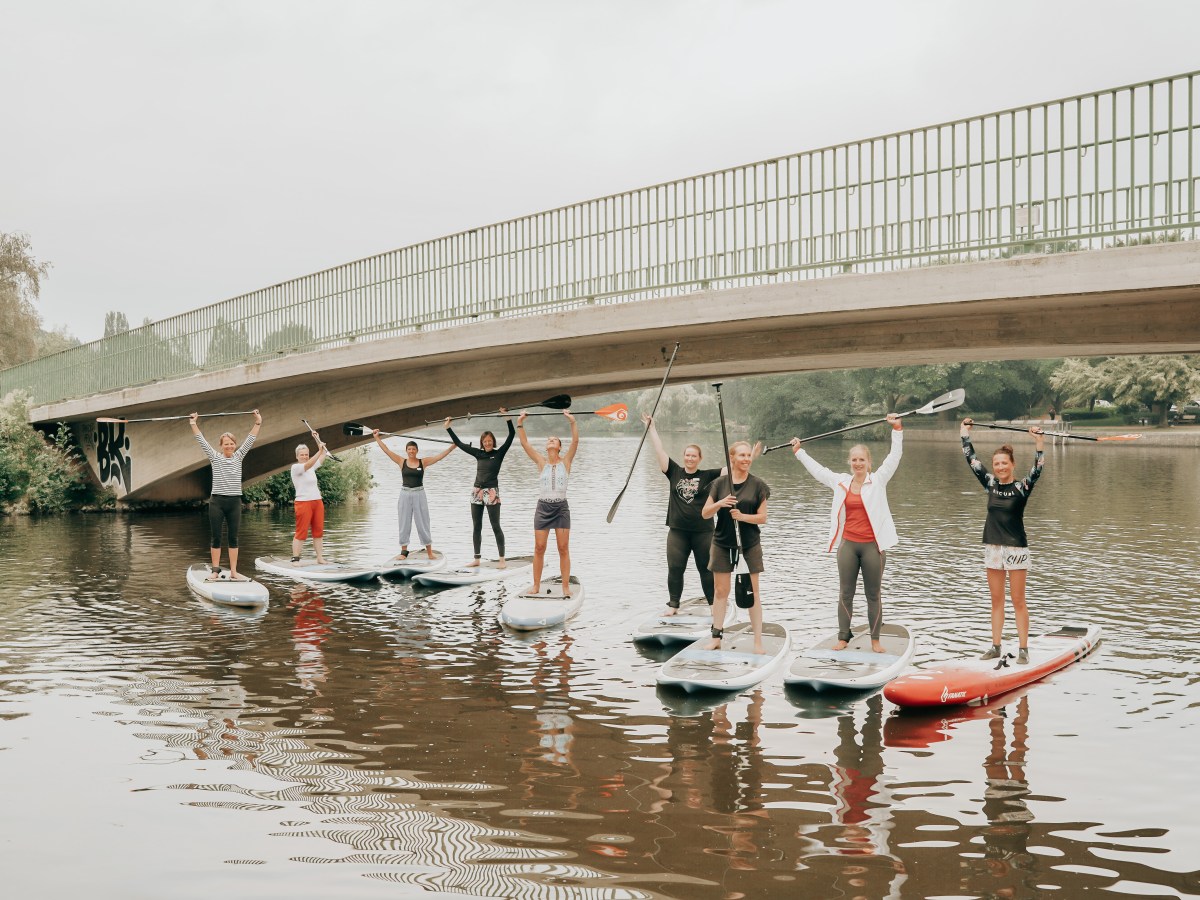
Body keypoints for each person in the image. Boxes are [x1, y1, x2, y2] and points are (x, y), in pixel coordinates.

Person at [789, 414, 904, 654]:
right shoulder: (840, 482)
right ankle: (843, 637)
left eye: (862, 460)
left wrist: (897, 429)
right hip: (848, 546)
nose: (858, 463)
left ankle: (875, 640)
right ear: (849, 462)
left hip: (873, 546)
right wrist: (799, 452)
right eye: (854, 460)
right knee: (845, 592)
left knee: (873, 594)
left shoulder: (878, 480)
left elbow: (894, 457)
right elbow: (819, 471)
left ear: (868, 463)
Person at [644, 414, 761, 616]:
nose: (690, 458)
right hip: (677, 532)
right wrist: (651, 428)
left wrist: (752, 455)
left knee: (706, 570)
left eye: (694, 456)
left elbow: (735, 467)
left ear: (699, 459)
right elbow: (659, 451)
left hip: (703, 532)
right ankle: (673, 605)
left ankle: (712, 604)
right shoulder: (673, 472)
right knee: (675, 568)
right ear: (683, 457)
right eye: (687, 455)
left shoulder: (708, 476)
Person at [960, 418, 1046, 664]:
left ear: (1012, 464)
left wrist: (1039, 441)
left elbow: (1038, 466)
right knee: (996, 601)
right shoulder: (990, 483)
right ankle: (996, 646)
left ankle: (1023, 650)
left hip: (1016, 547)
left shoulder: (1023, 487)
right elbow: (972, 459)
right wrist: (964, 434)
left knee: (1018, 600)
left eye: (1003, 463)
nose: (999, 467)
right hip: (992, 547)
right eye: (996, 464)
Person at [702, 441, 770, 654]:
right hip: (722, 544)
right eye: (742, 455)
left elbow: (763, 518)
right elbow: (705, 513)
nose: (747, 459)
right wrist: (720, 503)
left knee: (753, 594)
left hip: (748, 546)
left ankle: (757, 642)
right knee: (721, 592)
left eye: (749, 455)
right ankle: (716, 637)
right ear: (732, 458)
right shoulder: (720, 484)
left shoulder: (758, 485)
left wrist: (742, 517)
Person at [190, 409, 262, 581]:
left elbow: (251, 439)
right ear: (221, 446)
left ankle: (234, 572)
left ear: (235, 445)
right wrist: (193, 423)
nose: (229, 446)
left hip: (234, 502)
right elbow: (201, 440)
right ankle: (215, 571)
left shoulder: (239, 456)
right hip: (217, 502)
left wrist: (258, 422)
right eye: (226, 443)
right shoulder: (215, 457)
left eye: (231, 443)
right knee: (216, 537)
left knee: (233, 538)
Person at [515, 410, 578, 596]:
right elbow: (525, 443)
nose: (550, 440)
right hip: (543, 508)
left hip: (561, 509)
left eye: (554, 439)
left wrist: (572, 422)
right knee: (539, 548)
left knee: (563, 548)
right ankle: (536, 586)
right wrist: (520, 423)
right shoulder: (541, 462)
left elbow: (575, 442)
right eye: (548, 439)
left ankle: (566, 587)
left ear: (559, 446)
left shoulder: (566, 462)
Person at [444, 410, 515, 567]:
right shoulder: (478, 453)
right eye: (485, 441)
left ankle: (502, 560)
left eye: (490, 441)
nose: (487, 443)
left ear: (493, 442)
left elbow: (511, 436)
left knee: (495, 525)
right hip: (476, 492)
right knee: (477, 526)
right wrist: (448, 428)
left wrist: (508, 419)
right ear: (482, 442)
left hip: (491, 493)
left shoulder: (499, 454)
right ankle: (477, 559)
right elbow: (460, 444)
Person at [373, 432, 455, 560]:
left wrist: (452, 447)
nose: (411, 451)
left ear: (417, 451)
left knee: (423, 522)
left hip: (419, 494)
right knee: (404, 522)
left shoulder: (423, 462)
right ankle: (404, 552)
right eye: (409, 449)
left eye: (413, 449)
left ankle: (429, 552)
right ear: (406, 451)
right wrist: (376, 437)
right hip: (405, 494)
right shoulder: (401, 461)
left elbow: (439, 457)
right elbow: (386, 450)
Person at [290, 428, 329, 564]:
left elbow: (323, 455)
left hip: (317, 501)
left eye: (306, 454)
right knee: (301, 532)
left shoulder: (311, 467)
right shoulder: (296, 468)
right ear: (297, 456)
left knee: (318, 531)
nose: (305, 456)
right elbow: (308, 463)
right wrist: (318, 450)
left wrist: (317, 440)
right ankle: (295, 558)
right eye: (302, 455)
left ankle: (320, 558)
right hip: (303, 503)